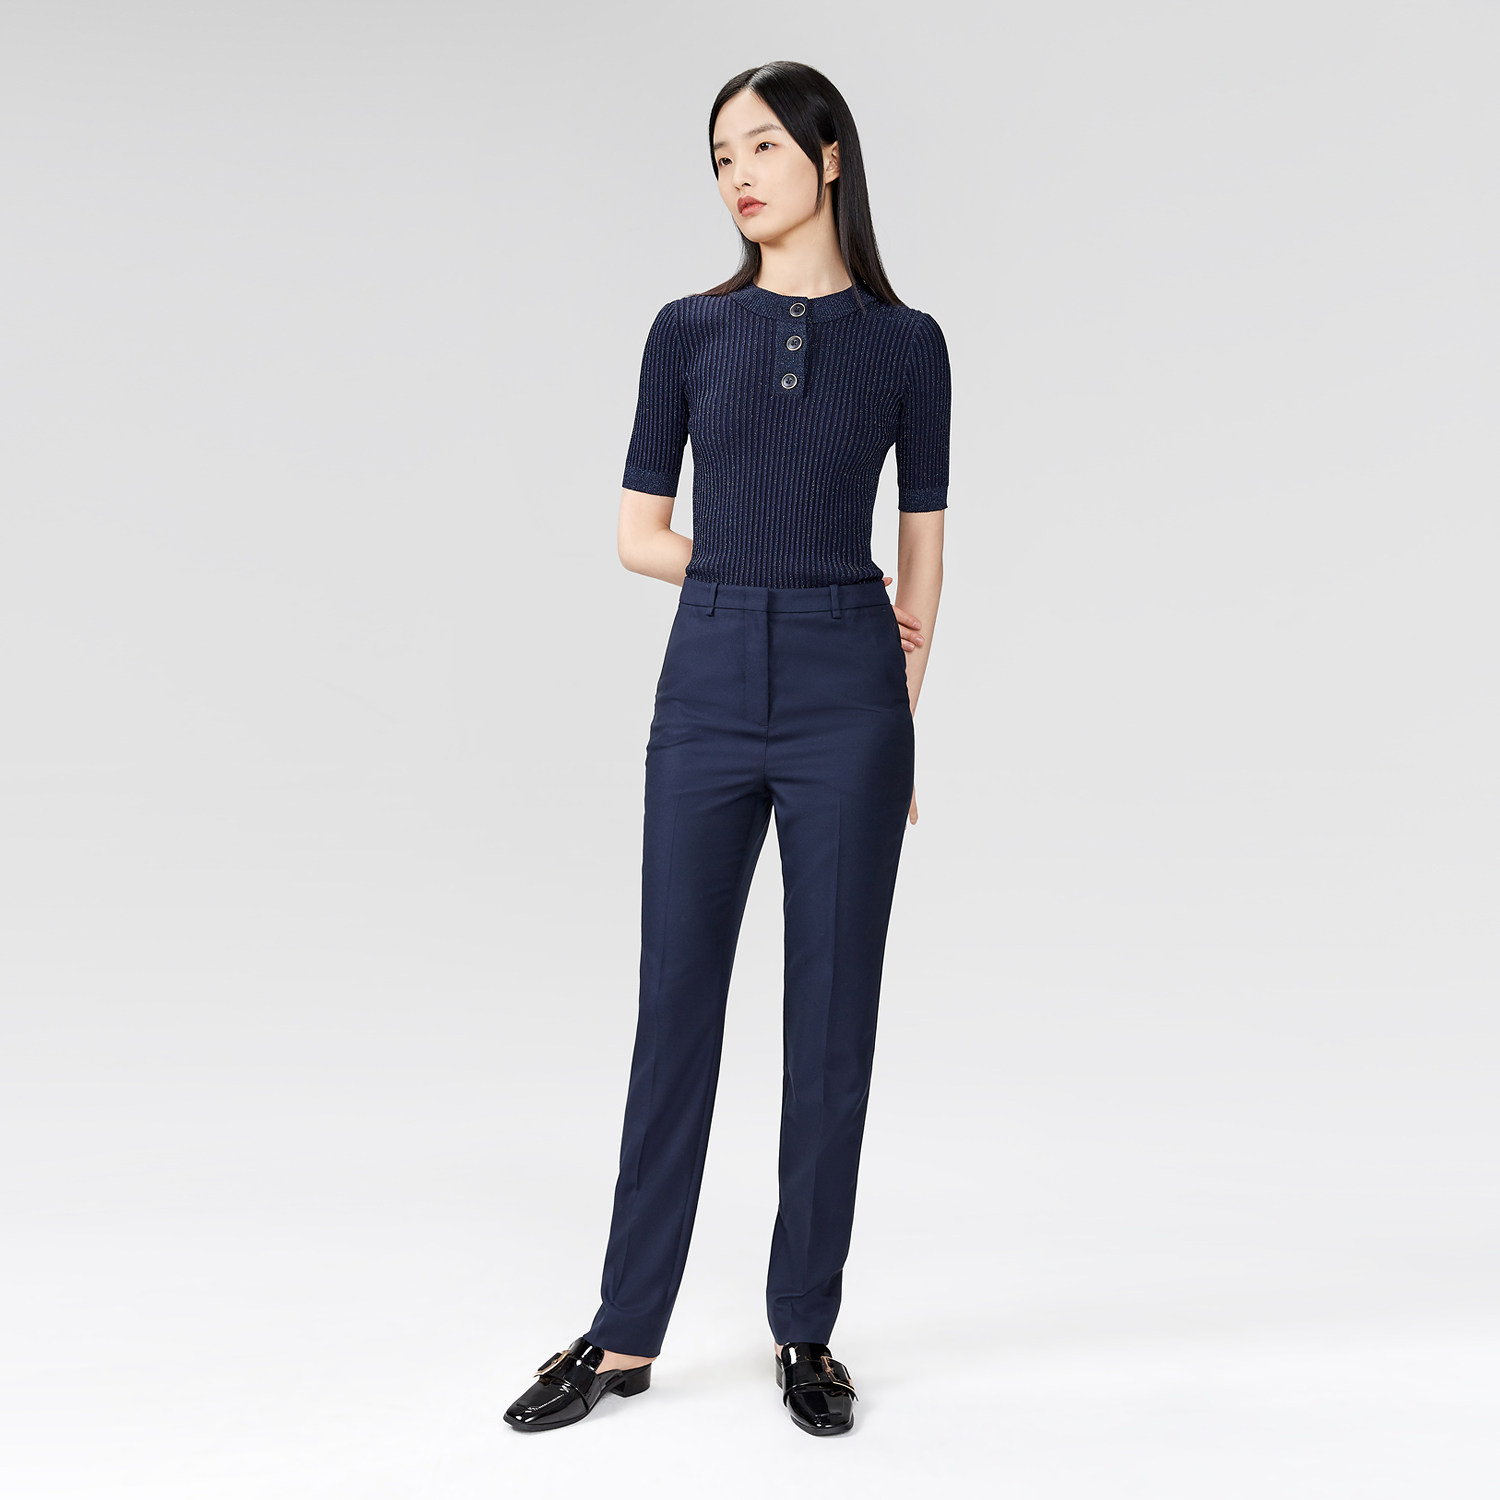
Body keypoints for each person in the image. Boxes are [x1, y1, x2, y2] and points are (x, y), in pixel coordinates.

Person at [504, 59, 950, 1438]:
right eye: (719, 157)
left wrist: (897, 724)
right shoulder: (687, 330)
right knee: (675, 1008)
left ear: (830, 156)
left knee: (833, 1022)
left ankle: (804, 1328)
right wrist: (750, 577)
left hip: (850, 690)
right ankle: (623, 1334)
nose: (737, 175)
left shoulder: (910, 343)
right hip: (708, 673)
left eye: (760, 146)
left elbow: (922, 558)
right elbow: (637, 536)